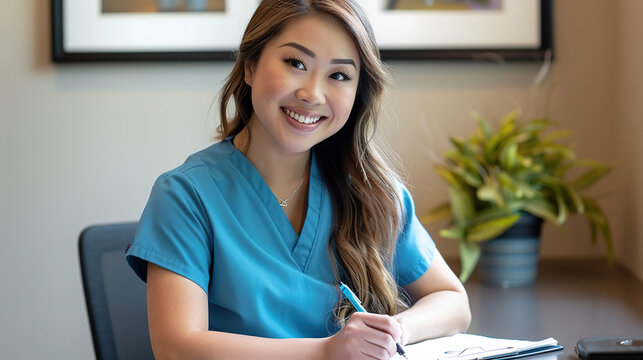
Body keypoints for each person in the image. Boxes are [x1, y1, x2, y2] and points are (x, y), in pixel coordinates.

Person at [126, 0, 471, 359]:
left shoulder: (373, 192)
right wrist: (327, 351)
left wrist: (391, 331)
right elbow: (176, 347)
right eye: (295, 63)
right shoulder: (186, 196)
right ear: (249, 67)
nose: (312, 94)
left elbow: (452, 300)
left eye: (338, 75)